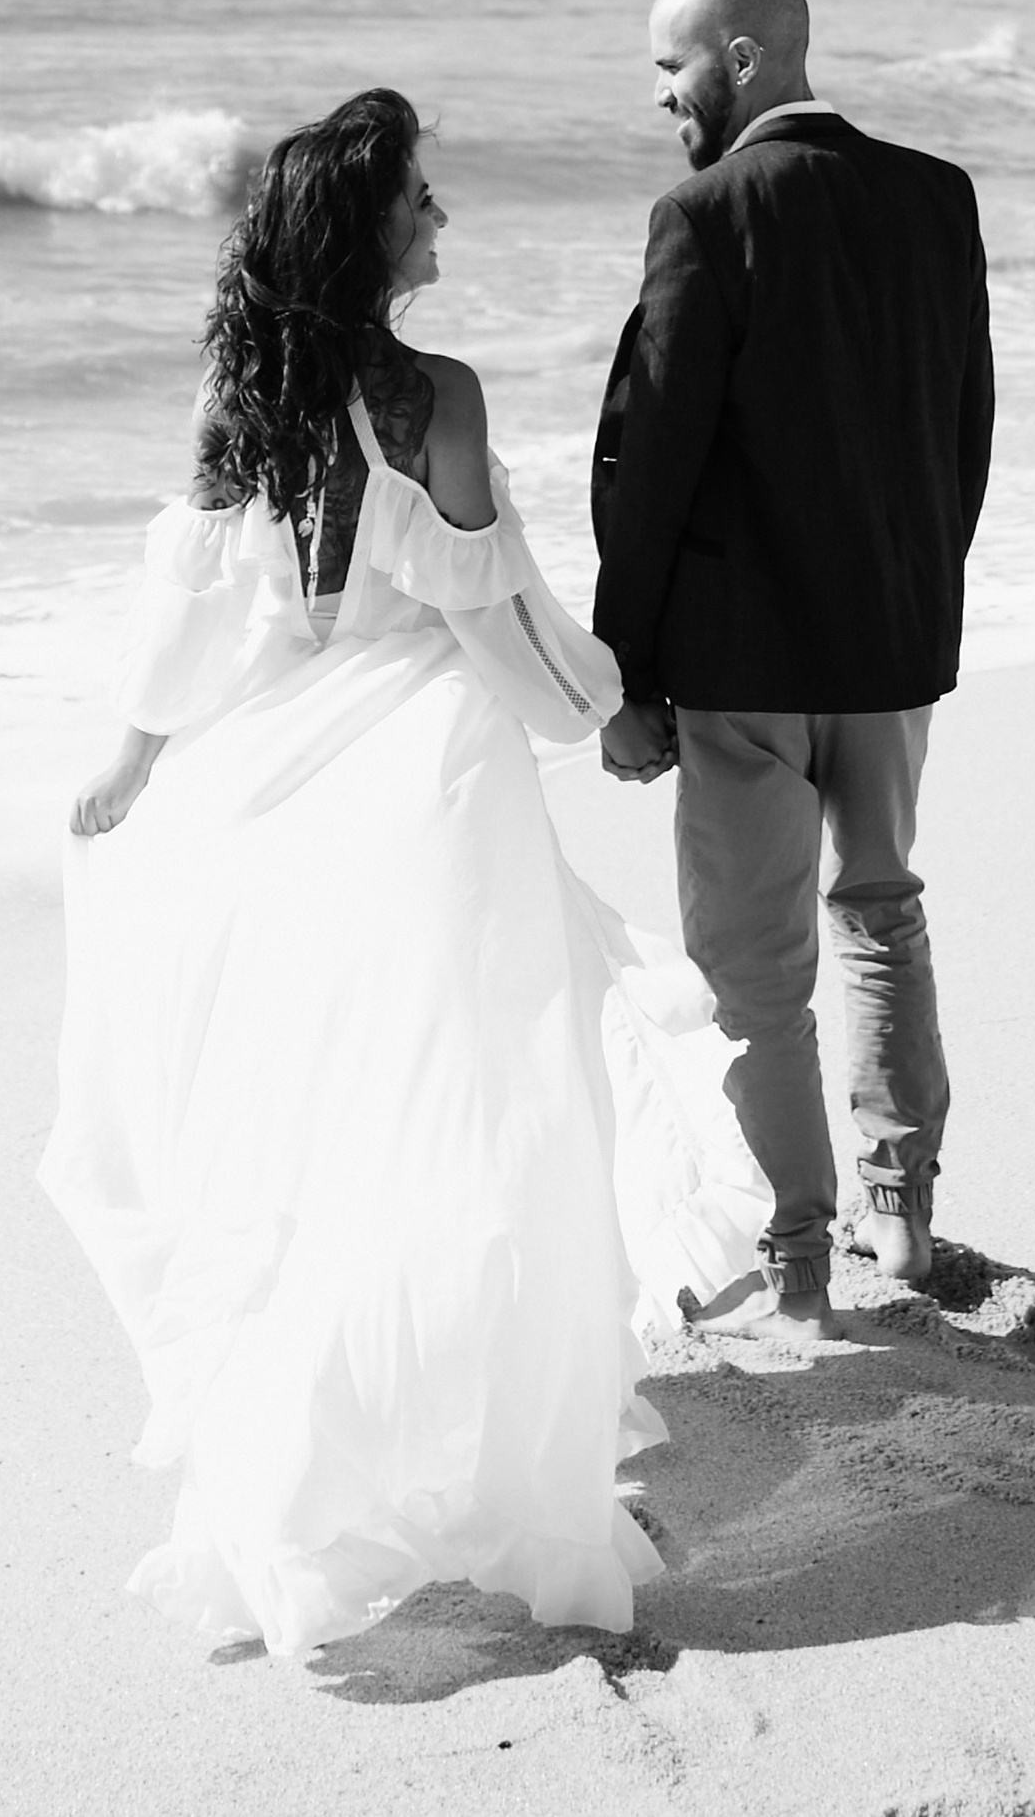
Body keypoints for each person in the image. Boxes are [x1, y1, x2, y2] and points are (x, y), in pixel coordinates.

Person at [43, 88, 760, 1661]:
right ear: (368, 232)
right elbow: (489, 607)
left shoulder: (243, 401)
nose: (441, 218)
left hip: (274, 773)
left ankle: (308, 1476)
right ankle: (480, 1454)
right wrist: (600, 708)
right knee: (476, 1115)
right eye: (421, 200)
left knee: (303, 1130)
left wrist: (139, 758)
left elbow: (196, 615)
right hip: (426, 768)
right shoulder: (439, 393)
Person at [592, 0, 994, 1330]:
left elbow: (654, 460)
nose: (662, 96)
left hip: (742, 663)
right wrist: (918, 593)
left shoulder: (703, 214)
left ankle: (798, 1254)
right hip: (889, 647)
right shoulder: (939, 199)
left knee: (755, 974)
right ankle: (905, 1211)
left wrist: (624, 670)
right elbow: (965, 430)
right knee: (883, 909)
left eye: (672, 65)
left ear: (746, 57)